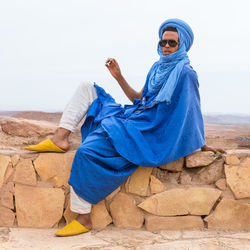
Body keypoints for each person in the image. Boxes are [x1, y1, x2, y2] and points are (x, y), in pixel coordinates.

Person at [26, 18, 225, 236]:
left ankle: (83, 218)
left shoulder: (186, 73)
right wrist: (118, 76)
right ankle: (60, 137)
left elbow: (192, 109)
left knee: (86, 152)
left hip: (148, 131)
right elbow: (138, 98)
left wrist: (202, 143)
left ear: (182, 45)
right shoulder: (157, 68)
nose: (166, 47)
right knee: (87, 88)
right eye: (163, 42)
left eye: (172, 43)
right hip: (135, 116)